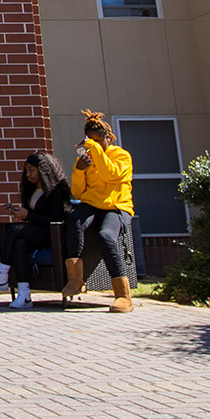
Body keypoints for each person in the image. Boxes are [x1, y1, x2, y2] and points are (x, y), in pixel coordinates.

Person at [63, 112, 136, 313]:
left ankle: (123, 295)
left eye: (98, 141)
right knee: (74, 220)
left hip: (117, 206)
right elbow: (77, 193)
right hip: (93, 203)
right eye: (91, 142)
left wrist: (95, 149)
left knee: (106, 236)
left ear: (108, 138)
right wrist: (78, 170)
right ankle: (76, 280)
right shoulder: (89, 158)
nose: (93, 145)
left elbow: (110, 175)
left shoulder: (121, 156)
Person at [0, 152, 72, 308]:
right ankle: (24, 295)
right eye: (26, 170)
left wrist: (29, 215)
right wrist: (20, 213)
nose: (28, 175)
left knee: (14, 229)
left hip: (52, 235)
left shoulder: (57, 190)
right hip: (35, 233)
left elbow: (56, 220)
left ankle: (1, 275)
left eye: (31, 170)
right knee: (19, 244)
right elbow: (32, 216)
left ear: (43, 170)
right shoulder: (30, 190)